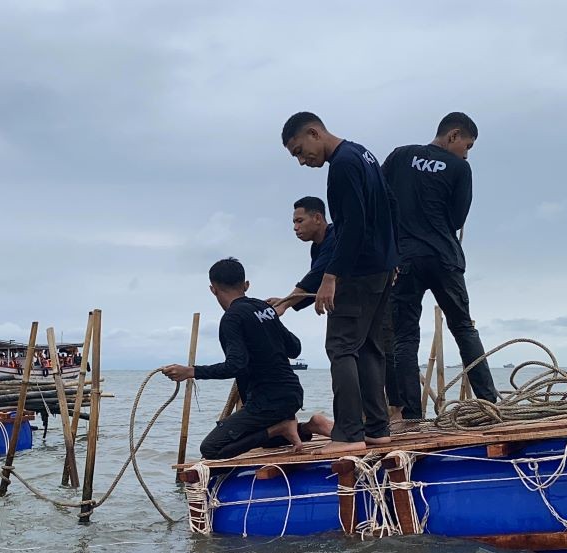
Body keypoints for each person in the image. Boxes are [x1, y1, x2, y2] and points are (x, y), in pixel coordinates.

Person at [281, 112, 399, 451]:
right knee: (370, 348)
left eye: (300, 150)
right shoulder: (363, 154)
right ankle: (377, 429)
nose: (303, 160)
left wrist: (331, 276)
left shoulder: (343, 165)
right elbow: (389, 205)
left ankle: (348, 434)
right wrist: (393, 257)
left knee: (341, 348)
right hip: (380, 266)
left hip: (358, 271)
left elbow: (352, 226)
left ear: (314, 133)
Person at [382, 112, 499, 421]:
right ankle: (489, 402)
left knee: (405, 337)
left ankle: (410, 415)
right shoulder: (460, 168)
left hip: (404, 258)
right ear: (453, 135)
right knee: (463, 327)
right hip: (443, 256)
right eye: (468, 144)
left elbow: (380, 200)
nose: (467, 152)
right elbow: (457, 220)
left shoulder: (400, 155)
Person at [163, 258, 332, 460]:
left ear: (213, 289)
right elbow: (295, 348)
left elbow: (235, 365)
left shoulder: (232, 318)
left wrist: (191, 371)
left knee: (211, 449)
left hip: (266, 402)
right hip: (292, 395)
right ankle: (308, 427)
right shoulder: (265, 310)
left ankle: (282, 428)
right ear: (246, 285)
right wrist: (271, 322)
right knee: (262, 439)